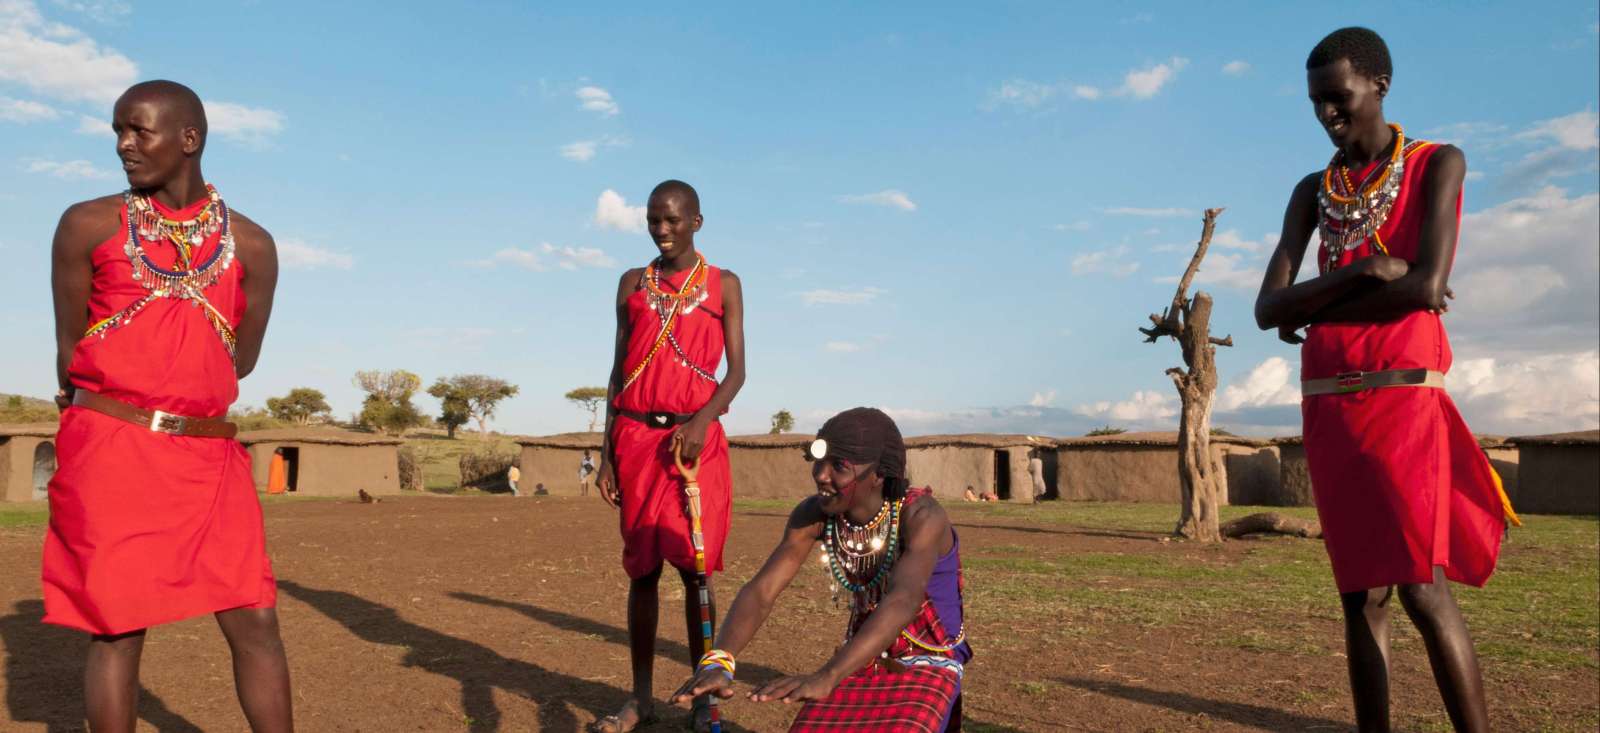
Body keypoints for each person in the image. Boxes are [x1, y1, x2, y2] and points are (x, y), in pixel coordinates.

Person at [1253, 28, 1516, 733]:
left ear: (1379, 85)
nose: (1326, 116)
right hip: (1328, 406)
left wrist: (1316, 302)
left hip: (1404, 396)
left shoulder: (1438, 164)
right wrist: (1363, 272)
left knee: (1421, 587)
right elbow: (1265, 308)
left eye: (1337, 99)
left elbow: (1427, 285)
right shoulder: (1314, 191)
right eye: (1315, 104)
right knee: (1357, 594)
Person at [44, 80, 293, 732]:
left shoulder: (254, 246)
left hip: (207, 455)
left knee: (255, 614)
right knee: (118, 626)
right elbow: (71, 349)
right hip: (114, 447)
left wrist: (180, 387)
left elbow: (238, 357)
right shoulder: (86, 225)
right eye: (118, 132)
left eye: (138, 131)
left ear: (190, 138)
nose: (124, 145)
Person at [671, 408, 969, 732]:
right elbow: (762, 591)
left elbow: (903, 599)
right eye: (819, 460)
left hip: (928, 661)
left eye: (838, 466)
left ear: (878, 475)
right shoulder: (816, 515)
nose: (820, 475)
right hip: (862, 657)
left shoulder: (921, 516)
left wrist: (828, 675)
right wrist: (721, 659)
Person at [593, 180, 747, 733]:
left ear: (696, 223)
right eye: (654, 220)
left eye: (673, 221)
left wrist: (703, 421)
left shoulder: (722, 286)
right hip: (636, 441)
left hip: (693, 444)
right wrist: (607, 452)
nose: (662, 229)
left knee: (695, 572)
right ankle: (640, 697)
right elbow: (617, 373)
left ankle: (703, 699)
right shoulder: (632, 284)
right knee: (642, 572)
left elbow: (738, 373)